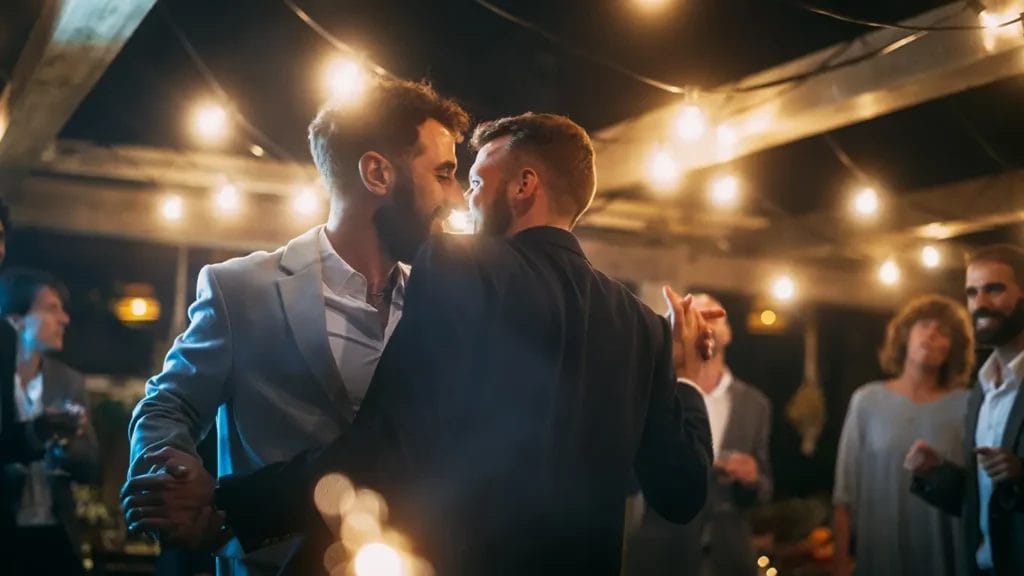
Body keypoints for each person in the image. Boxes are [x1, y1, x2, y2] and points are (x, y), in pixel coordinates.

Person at [123, 113, 717, 576]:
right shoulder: (642, 325)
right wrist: (686, 378)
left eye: (478, 179)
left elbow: (392, 446)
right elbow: (681, 492)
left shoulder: (464, 270)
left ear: (524, 186)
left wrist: (232, 505)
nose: (464, 199)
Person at [125, 79, 470, 574]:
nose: (457, 197)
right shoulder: (240, 288)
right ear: (377, 173)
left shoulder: (442, 301)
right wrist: (170, 476)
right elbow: (168, 403)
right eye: (443, 174)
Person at [625, 293, 772, 576]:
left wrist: (752, 478)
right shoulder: (655, 392)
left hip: (729, 555)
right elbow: (629, 474)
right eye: (695, 316)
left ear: (728, 333)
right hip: (662, 551)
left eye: (713, 315)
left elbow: (765, 488)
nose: (705, 323)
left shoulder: (756, 403)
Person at [832, 294, 974, 576]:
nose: (932, 334)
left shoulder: (968, 404)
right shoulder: (867, 401)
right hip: (880, 557)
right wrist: (840, 563)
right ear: (905, 335)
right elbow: (844, 494)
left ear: (953, 349)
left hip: (947, 559)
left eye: (943, 332)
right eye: (924, 325)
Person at [907, 245, 1024, 576]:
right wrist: (935, 473)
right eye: (972, 293)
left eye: (995, 289)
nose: (980, 303)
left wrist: (1021, 476)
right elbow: (981, 501)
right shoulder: (981, 391)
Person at [0, 268, 98, 575]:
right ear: (16, 320)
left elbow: (93, 466)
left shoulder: (69, 381)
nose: (65, 319)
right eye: (51, 308)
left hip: (56, 537)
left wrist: (66, 444)